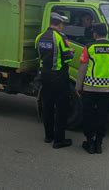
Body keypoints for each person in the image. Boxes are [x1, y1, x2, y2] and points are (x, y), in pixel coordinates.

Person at [76, 23, 109, 154]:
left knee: (88, 116)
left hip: (89, 88)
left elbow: (82, 68)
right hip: (105, 89)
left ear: (95, 33)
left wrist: (78, 86)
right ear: (106, 33)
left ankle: (89, 143)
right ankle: (99, 144)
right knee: (102, 116)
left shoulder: (89, 47)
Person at [35, 12, 75, 149]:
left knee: (47, 107)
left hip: (44, 76)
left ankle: (48, 136)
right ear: (59, 24)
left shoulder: (40, 37)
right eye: (62, 24)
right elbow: (67, 57)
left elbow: (39, 54)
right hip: (59, 77)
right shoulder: (60, 37)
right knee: (61, 109)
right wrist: (72, 52)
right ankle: (59, 140)